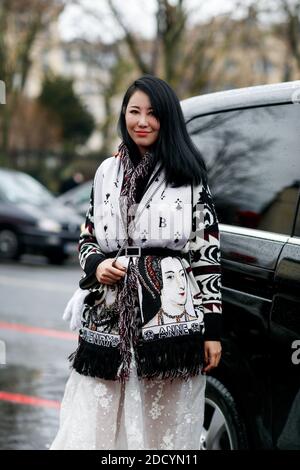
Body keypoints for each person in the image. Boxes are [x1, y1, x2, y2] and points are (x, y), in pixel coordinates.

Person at [51, 75, 222, 450]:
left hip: (170, 323)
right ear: (124, 116)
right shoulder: (106, 172)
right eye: (134, 111)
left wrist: (212, 329)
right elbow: (88, 234)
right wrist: (96, 265)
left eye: (153, 113)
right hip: (109, 318)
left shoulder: (190, 176)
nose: (142, 121)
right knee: (97, 419)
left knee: (161, 426)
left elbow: (206, 255)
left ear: (168, 119)